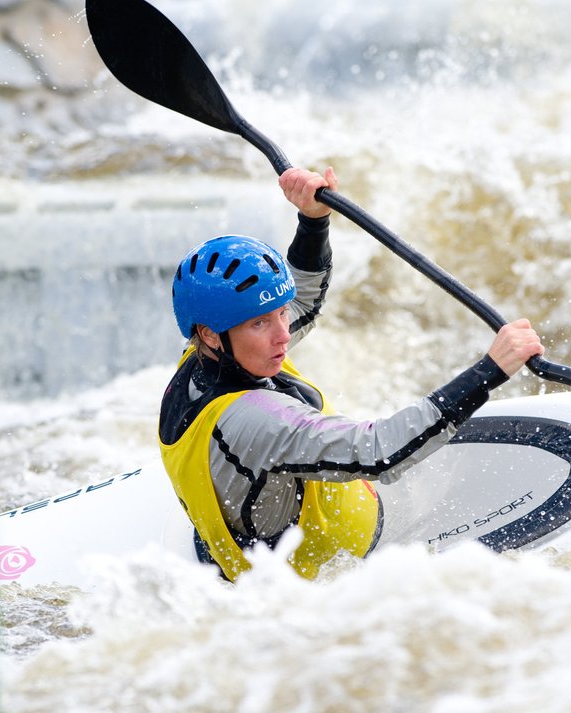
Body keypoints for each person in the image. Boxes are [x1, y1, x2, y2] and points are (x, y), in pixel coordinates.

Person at [158, 167, 544, 582]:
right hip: (327, 576)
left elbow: (303, 300)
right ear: (211, 335)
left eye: (280, 314)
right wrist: (490, 371)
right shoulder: (254, 420)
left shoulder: (205, 358)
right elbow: (377, 453)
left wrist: (313, 221)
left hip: (263, 527)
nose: (284, 334)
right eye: (260, 324)